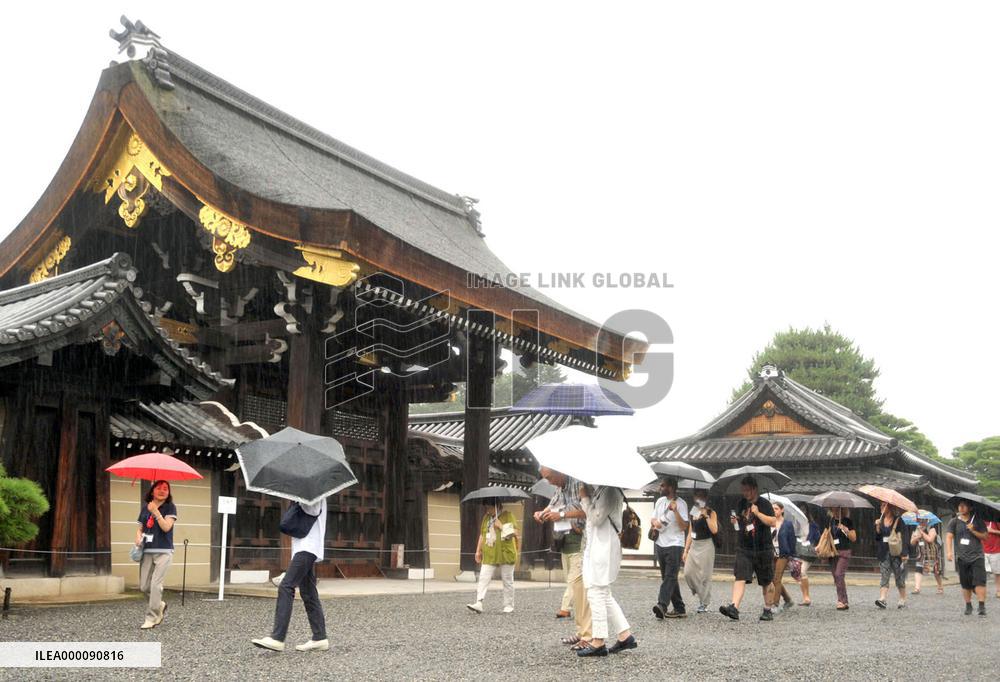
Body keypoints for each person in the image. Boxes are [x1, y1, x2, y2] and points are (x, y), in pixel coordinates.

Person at [253, 499, 329, 651]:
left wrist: (299, 500)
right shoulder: (310, 491)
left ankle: (278, 638)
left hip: (308, 548)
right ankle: (320, 637)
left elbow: (312, 510)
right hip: (306, 548)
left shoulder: (313, 492)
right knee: (309, 593)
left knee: (286, 586)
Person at [575, 484, 637, 657]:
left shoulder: (610, 491)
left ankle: (598, 640)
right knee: (604, 594)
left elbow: (596, 518)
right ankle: (625, 635)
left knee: (596, 592)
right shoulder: (603, 490)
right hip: (598, 547)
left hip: (604, 549)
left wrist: (585, 499)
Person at [535, 466, 591, 650]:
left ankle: (587, 635)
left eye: (550, 477)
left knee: (579, 587)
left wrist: (561, 514)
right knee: (574, 587)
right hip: (565, 540)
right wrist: (542, 513)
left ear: (560, 471)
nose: (550, 482)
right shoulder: (560, 488)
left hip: (581, 539)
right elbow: (553, 505)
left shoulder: (578, 482)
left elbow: (587, 510)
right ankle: (581, 631)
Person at [719, 476, 777, 622]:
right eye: (743, 490)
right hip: (744, 547)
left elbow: (773, 522)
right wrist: (735, 522)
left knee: (766, 581)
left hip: (764, 547)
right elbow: (738, 527)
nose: (744, 493)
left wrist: (757, 513)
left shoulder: (764, 504)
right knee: (740, 576)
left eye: (747, 490)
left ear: (754, 489)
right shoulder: (741, 504)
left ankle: (768, 609)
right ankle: (734, 607)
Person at [134, 480, 177, 630]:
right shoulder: (145, 508)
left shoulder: (170, 507)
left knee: (155, 585)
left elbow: (166, 527)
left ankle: (151, 617)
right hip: (147, 550)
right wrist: (138, 537)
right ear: (152, 491)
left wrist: (156, 512)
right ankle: (160, 605)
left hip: (164, 551)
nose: (162, 491)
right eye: (159, 488)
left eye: (166, 489)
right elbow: (140, 528)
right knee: (144, 586)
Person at [467, 500, 519, 614]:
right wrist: (478, 551)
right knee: (483, 578)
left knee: (507, 580)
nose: (487, 510)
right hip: (490, 552)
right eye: (486, 508)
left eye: (489, 507)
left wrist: (501, 525)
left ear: (497, 506)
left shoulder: (507, 515)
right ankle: (479, 602)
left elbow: (515, 532)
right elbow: (482, 534)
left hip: (506, 552)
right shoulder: (486, 518)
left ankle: (509, 605)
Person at [650, 476, 689, 619]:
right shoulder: (660, 501)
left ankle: (662, 605)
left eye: (663, 485)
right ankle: (679, 608)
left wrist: (675, 511)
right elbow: (653, 518)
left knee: (670, 576)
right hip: (660, 543)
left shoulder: (681, 504)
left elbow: (684, 526)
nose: (660, 487)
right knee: (668, 577)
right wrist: (656, 523)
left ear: (671, 488)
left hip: (675, 544)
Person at [945, 502, 989, 616]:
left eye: (964, 505)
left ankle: (981, 606)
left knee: (980, 581)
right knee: (965, 583)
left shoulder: (977, 520)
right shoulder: (954, 521)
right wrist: (949, 552)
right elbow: (949, 536)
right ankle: (968, 605)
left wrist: (973, 530)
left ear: (970, 508)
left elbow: (985, 536)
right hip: (962, 557)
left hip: (977, 556)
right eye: (959, 505)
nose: (961, 507)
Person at [682, 487, 717, 614]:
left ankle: (704, 603)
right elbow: (691, 531)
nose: (699, 498)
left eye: (701, 496)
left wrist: (706, 516)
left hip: (706, 545)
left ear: (706, 498)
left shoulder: (711, 512)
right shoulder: (693, 511)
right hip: (694, 545)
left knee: (705, 575)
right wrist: (686, 550)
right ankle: (698, 591)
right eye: (697, 496)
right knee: (688, 572)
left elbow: (714, 530)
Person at [874, 503, 910, 609]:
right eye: (881, 506)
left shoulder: (899, 521)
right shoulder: (879, 521)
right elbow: (877, 538)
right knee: (884, 575)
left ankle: (902, 598)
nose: (881, 508)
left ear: (889, 508)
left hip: (896, 553)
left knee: (899, 577)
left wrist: (904, 553)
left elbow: (904, 537)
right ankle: (882, 599)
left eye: (884, 506)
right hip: (883, 553)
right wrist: (877, 527)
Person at [769, 501, 796, 614]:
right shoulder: (769, 522)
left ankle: (775, 604)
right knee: (773, 579)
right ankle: (788, 600)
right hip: (772, 553)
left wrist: (792, 556)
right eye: (773, 508)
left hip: (783, 554)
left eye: (776, 508)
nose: (774, 510)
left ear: (782, 510)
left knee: (777, 578)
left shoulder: (787, 524)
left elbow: (792, 540)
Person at [828, 507, 856, 610]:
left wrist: (845, 529)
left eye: (838, 509)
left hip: (844, 551)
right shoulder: (830, 521)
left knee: (839, 574)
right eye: (834, 508)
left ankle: (842, 601)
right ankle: (842, 599)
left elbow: (853, 538)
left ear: (843, 510)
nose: (835, 510)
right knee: (836, 578)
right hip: (832, 552)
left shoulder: (847, 521)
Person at [910, 516, 943, 595]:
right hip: (920, 554)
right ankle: (917, 588)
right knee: (918, 569)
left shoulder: (932, 529)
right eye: (919, 521)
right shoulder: (916, 530)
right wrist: (916, 537)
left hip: (931, 554)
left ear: (927, 521)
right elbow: (912, 542)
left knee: (936, 571)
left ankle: (940, 587)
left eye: (922, 520)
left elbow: (930, 539)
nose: (921, 522)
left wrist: (922, 532)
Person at [794, 511, 821, 606]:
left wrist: (817, 547)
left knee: (802, 571)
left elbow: (818, 538)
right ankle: (805, 597)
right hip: (798, 551)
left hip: (809, 552)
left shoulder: (813, 526)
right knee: (798, 573)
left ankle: (807, 597)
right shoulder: (795, 525)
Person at [984, 520, 1000, 599]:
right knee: (981, 572)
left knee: (997, 572)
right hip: (982, 550)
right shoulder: (979, 521)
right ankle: (982, 590)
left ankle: (998, 590)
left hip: (996, 550)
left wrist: (992, 531)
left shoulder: (996, 521)